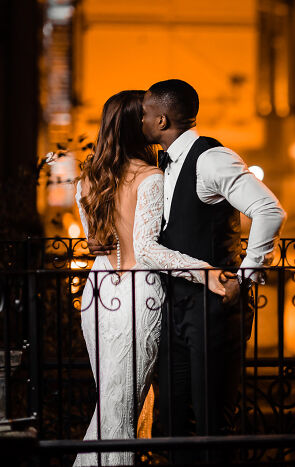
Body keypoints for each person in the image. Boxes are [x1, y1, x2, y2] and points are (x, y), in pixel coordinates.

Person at [74, 90, 227, 466]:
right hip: (137, 296)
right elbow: (144, 250)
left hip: (98, 294)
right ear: (134, 126)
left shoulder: (87, 179)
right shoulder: (151, 177)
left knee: (111, 403)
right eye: (143, 116)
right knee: (121, 410)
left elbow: (96, 242)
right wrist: (204, 271)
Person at [142, 79, 285, 462]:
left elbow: (269, 210)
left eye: (143, 113)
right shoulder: (161, 164)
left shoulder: (212, 158)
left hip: (213, 306)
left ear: (161, 119)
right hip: (173, 306)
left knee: (212, 423)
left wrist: (246, 276)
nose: (139, 120)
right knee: (171, 419)